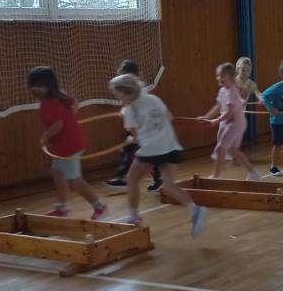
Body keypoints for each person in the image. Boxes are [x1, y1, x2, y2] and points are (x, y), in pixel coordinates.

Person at [109, 74, 205, 235]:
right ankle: (195, 210)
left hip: (151, 149)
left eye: (117, 95)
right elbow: (169, 117)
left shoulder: (130, 110)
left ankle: (133, 216)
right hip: (169, 146)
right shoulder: (154, 98)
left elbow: (136, 138)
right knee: (169, 186)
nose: (117, 98)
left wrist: (129, 139)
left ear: (125, 93)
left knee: (131, 179)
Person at [27, 66, 109, 219]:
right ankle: (62, 208)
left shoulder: (49, 103)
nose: (33, 89)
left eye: (38, 85)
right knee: (57, 173)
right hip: (66, 144)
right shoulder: (60, 95)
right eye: (32, 85)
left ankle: (100, 207)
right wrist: (70, 116)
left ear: (48, 85)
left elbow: (58, 125)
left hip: (69, 146)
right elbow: (74, 103)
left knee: (74, 180)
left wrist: (45, 137)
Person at [106, 60, 163, 191]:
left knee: (149, 154)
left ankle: (158, 179)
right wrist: (125, 111)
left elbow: (137, 107)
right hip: (137, 126)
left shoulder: (139, 89)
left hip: (143, 128)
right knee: (128, 150)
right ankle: (124, 178)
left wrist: (134, 136)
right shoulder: (127, 87)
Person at [200, 62, 259, 180]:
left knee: (220, 148)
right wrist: (206, 117)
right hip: (235, 123)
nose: (219, 78)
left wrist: (216, 120)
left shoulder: (231, 91)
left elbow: (229, 112)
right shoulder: (222, 90)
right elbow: (218, 106)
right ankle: (253, 172)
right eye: (218, 76)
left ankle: (216, 176)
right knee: (233, 150)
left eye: (222, 76)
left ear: (231, 77)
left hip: (236, 124)